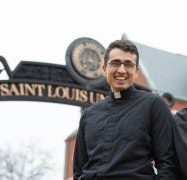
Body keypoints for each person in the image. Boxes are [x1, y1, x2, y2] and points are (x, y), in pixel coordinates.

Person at [73, 39, 177, 180]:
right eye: (115, 63)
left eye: (128, 64)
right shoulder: (88, 115)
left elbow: (168, 163)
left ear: (136, 72)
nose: (121, 70)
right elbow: (79, 170)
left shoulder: (154, 105)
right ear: (104, 69)